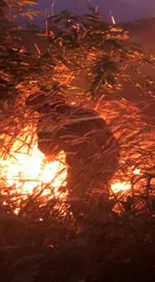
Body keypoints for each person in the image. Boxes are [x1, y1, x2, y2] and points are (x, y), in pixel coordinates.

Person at [25, 91, 120, 221]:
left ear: (39, 106)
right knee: (100, 200)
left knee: (78, 203)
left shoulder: (48, 118)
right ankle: (110, 232)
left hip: (83, 164)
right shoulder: (88, 112)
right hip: (110, 159)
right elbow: (110, 140)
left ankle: (88, 235)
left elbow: (48, 149)